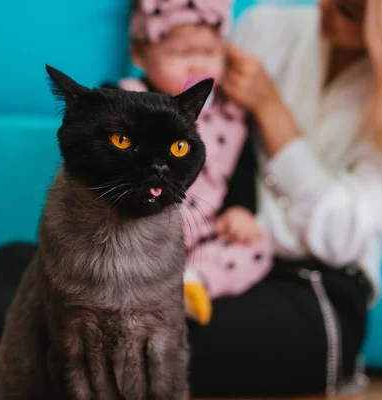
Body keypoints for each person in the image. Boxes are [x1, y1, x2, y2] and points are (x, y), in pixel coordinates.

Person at [0, 0, 382, 398]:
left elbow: (342, 238)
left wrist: (274, 113)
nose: (326, 12)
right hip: (192, 247)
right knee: (34, 268)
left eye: (350, 12)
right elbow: (182, 111)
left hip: (310, 293)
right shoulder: (275, 24)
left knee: (88, 355)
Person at [110, 0, 273, 326]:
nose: (197, 66)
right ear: (141, 55)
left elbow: (243, 167)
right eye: (181, 54)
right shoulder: (129, 100)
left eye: (210, 54)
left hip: (202, 231)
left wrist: (240, 209)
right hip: (143, 224)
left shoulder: (231, 115)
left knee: (257, 246)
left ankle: (194, 283)